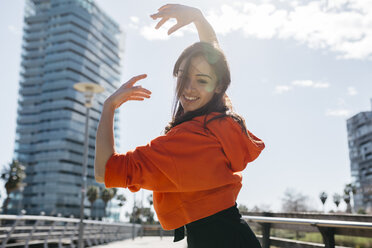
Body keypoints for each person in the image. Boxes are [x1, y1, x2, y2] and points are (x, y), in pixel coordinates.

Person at [94, 4, 265, 248]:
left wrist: (108, 107)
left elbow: (103, 171)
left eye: (201, 81)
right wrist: (199, 20)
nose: (189, 88)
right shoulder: (218, 122)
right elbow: (214, 66)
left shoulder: (184, 142)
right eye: (184, 77)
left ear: (217, 87)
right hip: (234, 234)